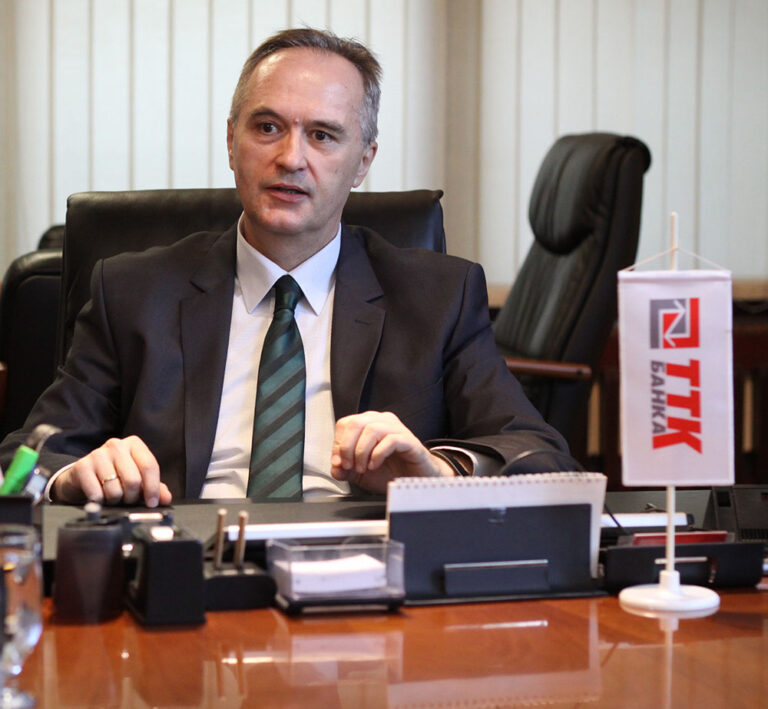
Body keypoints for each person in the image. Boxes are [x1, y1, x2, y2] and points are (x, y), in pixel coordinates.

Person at [0, 28, 572, 507]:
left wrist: (438, 471)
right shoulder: (132, 291)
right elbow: (20, 462)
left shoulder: (438, 296)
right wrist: (69, 477)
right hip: (184, 565)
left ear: (363, 162)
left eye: (323, 135)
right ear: (232, 141)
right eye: (267, 127)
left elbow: (540, 456)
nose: (291, 158)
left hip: (365, 573)